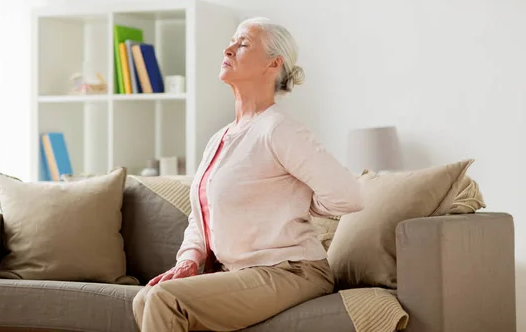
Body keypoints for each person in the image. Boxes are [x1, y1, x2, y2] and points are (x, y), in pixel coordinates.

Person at [132, 17, 363, 332]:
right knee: (144, 298)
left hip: (293, 271)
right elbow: (202, 218)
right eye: (231, 42)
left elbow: (349, 196)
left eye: (242, 44)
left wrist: (297, 202)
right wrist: (189, 258)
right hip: (241, 272)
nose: (228, 49)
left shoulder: (279, 128)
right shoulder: (220, 138)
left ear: (273, 64)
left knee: (165, 300)